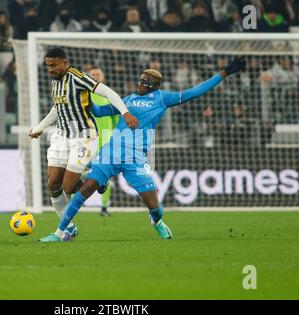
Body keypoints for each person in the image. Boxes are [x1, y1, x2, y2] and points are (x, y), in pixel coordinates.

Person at [38, 57, 246, 242]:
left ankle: (156, 222)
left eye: (146, 82)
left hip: (135, 158)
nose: (141, 84)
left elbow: (194, 92)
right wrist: (83, 97)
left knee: (155, 207)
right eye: (140, 80)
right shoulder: (126, 100)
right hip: (110, 153)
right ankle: (60, 232)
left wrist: (225, 72)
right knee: (84, 190)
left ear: (155, 86)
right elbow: (99, 111)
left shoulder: (162, 98)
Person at [28, 48, 139, 238]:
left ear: (65, 63)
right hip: (62, 136)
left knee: (69, 187)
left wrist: (125, 113)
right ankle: (68, 227)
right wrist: (40, 127)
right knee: (53, 183)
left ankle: (96, 179)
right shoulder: (55, 80)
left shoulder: (78, 77)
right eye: (48, 66)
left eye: (54, 65)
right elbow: (59, 107)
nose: (50, 69)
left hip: (83, 136)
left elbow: (108, 92)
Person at [89, 66, 120, 217]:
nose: (95, 76)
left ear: (103, 77)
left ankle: (104, 208)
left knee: (105, 177)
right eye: (92, 74)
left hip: (105, 141)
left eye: (97, 74)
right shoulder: (84, 94)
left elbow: (116, 120)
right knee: (79, 174)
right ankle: (72, 206)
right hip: (87, 139)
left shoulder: (109, 95)